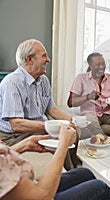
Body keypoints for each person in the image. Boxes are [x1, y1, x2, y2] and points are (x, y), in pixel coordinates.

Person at [0, 39, 78, 169]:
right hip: (13, 135)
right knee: (58, 141)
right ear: (30, 59)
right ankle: (70, 176)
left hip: (36, 129)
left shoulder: (43, 81)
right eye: (43, 56)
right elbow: (16, 124)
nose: (48, 59)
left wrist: (73, 121)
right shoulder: (12, 83)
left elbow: (52, 109)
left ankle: (73, 170)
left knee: (73, 133)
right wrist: (51, 127)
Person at [0, 124, 110, 200]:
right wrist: (63, 146)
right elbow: (42, 196)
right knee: (100, 187)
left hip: (25, 186)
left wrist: (24, 145)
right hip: (38, 195)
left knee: (84, 173)